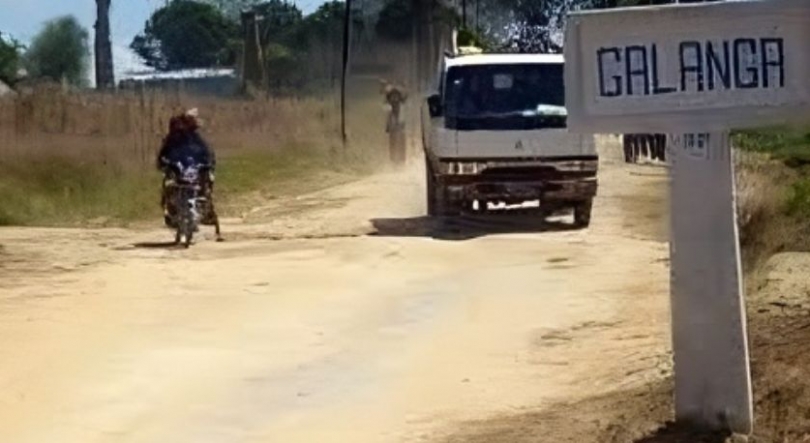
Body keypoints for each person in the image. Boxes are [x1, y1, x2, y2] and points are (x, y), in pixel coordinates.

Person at [157, 108, 218, 232]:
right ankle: (170, 209)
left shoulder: (195, 138)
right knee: (168, 183)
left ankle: (206, 208)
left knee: (208, 181)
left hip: (193, 169)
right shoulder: (174, 137)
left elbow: (206, 152)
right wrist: (166, 163)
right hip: (177, 169)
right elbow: (163, 154)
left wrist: (208, 163)